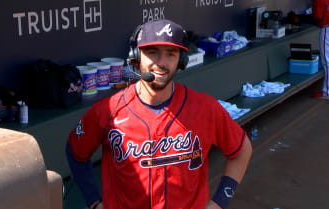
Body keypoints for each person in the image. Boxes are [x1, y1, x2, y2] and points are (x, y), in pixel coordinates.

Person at [66, 19, 253, 209]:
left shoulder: (205, 108)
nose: (161, 63)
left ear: (181, 60)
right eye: (152, 52)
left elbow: (241, 149)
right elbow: (75, 151)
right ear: (136, 56)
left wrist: (220, 202)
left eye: (171, 54)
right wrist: (93, 201)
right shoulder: (108, 110)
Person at [312, 0, 329, 99]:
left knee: (327, 61)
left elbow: (316, 19)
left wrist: (298, 18)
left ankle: (327, 92)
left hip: (327, 28)